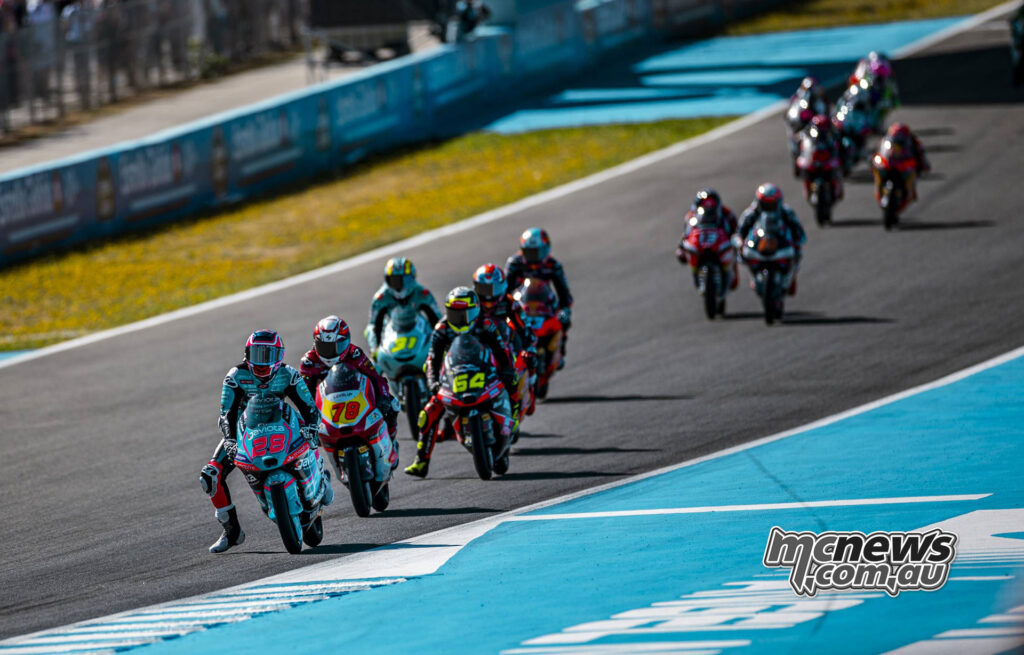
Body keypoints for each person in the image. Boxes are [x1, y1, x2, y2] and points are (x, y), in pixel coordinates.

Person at [199, 330, 321, 554]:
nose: (262, 361)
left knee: (312, 437)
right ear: (247, 354)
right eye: (257, 353)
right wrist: (230, 441)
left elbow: (309, 407)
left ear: (279, 356)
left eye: (268, 354)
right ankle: (232, 531)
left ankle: (318, 478)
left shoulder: (289, 374)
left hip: (282, 424)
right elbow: (226, 415)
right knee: (210, 475)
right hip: (246, 432)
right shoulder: (235, 376)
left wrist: (311, 427)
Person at [404, 287, 516, 478]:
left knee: (512, 387)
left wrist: (507, 370)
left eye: (461, 313)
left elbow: (502, 350)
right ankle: (421, 460)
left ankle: (512, 420)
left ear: (473, 311)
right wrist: (432, 381)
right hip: (455, 377)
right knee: (428, 413)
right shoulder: (442, 329)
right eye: (452, 313)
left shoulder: (486, 325)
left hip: (485, 372)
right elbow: (433, 358)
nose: (456, 317)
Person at [299, 315, 402, 471]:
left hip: (357, 399)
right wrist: (310, 418)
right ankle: (319, 474)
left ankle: (391, 440)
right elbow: (304, 395)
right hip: (329, 407)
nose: (331, 353)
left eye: (336, 347)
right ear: (316, 344)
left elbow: (376, 378)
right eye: (325, 347)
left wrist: (382, 398)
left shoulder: (355, 354)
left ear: (346, 343)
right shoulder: (309, 362)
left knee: (393, 405)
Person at [473, 263, 537, 417]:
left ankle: (530, 391)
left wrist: (528, 347)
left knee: (530, 358)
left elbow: (524, 327)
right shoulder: (472, 303)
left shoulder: (510, 302)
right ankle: (450, 421)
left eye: (493, 289)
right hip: (479, 346)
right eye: (484, 289)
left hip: (506, 345)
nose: (489, 295)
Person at [505, 228, 572, 368]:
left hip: (544, 304)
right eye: (528, 252)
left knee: (564, 320)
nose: (532, 257)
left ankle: (560, 351)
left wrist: (565, 308)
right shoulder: (514, 263)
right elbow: (505, 290)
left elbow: (563, 292)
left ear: (545, 249)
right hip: (521, 304)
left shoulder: (553, 265)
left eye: (536, 252)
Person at [737, 183, 806, 296]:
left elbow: (800, 233)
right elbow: (740, 232)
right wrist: (741, 243)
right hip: (758, 246)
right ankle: (754, 278)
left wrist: (796, 242)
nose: (769, 209)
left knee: (797, 254)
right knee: (742, 255)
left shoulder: (787, 212)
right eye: (765, 205)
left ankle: (789, 278)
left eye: (771, 205)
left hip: (781, 245)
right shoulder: (750, 213)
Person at [367, 257, 441, 357]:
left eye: (404, 280)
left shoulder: (423, 293)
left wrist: (441, 343)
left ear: (412, 278)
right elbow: (372, 326)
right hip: (392, 334)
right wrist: (374, 348)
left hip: (418, 330)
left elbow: (438, 320)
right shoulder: (380, 298)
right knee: (374, 364)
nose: (399, 285)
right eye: (394, 280)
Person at [876, 122, 930, 201]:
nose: (898, 141)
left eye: (900, 138)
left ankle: (911, 191)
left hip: (904, 166)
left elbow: (921, 156)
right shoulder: (886, 142)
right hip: (889, 165)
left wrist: (924, 165)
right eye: (895, 137)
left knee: (913, 175)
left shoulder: (913, 143)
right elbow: (880, 153)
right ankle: (879, 190)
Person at [796, 115, 844, 202]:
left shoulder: (833, 136)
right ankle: (808, 191)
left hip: (827, 163)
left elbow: (838, 152)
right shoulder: (809, 135)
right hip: (813, 163)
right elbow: (800, 140)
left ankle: (838, 190)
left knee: (838, 172)